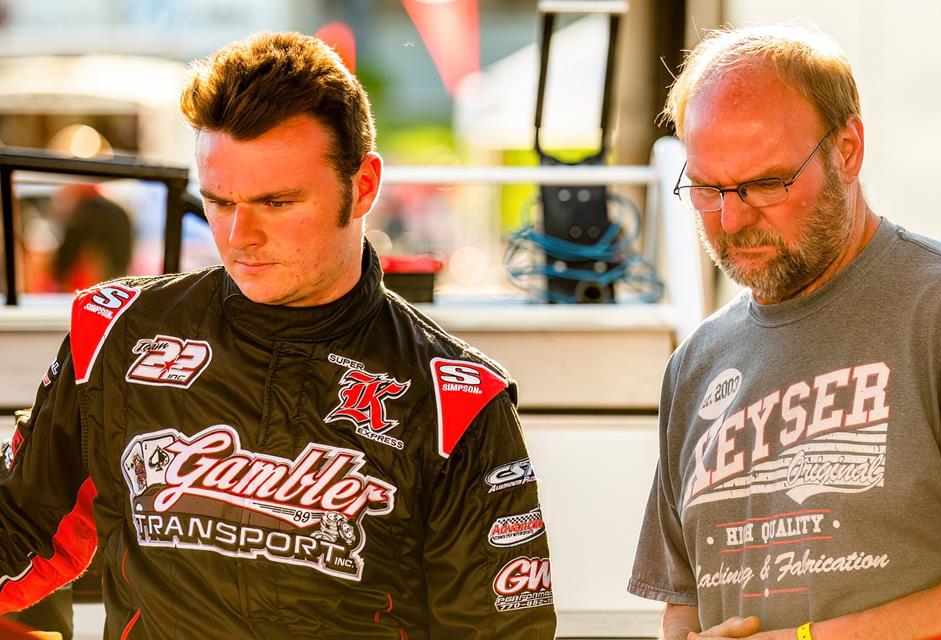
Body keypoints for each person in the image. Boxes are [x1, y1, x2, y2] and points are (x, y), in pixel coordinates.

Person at [0, 32, 555, 639]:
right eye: (218, 201)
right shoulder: (117, 334)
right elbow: (21, 527)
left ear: (363, 186)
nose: (241, 235)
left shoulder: (456, 399)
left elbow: (500, 633)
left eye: (278, 201)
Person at [628, 22, 941, 640]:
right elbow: (686, 602)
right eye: (707, 187)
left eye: (766, 183)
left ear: (849, 150)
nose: (731, 217)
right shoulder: (696, 362)